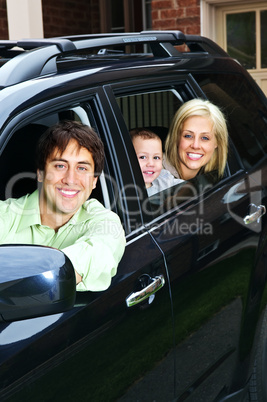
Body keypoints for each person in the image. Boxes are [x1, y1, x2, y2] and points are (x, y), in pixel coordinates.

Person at [0, 120, 126, 292]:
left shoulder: (105, 222)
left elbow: (93, 255)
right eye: (60, 165)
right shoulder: (5, 214)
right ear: (40, 173)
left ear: (94, 181)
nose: (70, 179)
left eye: (82, 168)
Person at [164, 98, 228, 181]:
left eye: (205, 138)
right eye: (188, 136)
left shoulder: (214, 178)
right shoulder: (153, 174)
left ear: (217, 142)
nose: (195, 145)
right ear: (176, 137)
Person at [130, 128, 183, 196]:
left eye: (156, 157)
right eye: (143, 157)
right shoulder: (125, 190)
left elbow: (189, 187)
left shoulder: (164, 178)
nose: (151, 164)